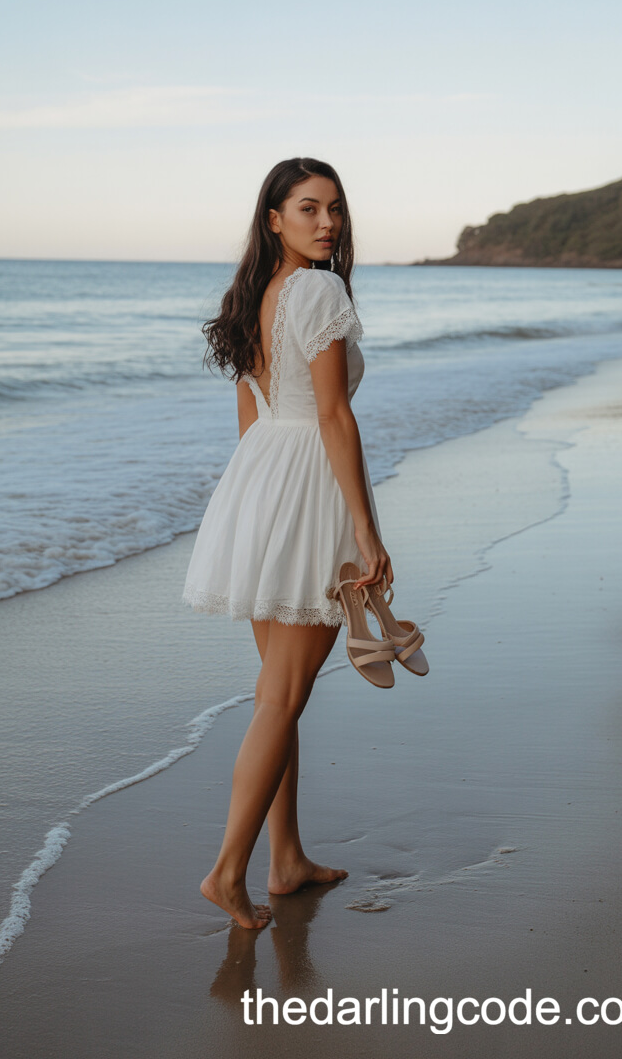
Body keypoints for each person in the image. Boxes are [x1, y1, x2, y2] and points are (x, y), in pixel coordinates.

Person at [182, 156, 392, 929]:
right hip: (306, 484)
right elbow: (334, 416)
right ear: (274, 218)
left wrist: (252, 513)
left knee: (281, 689)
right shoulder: (319, 288)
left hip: (259, 480)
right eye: (308, 208)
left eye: (334, 208)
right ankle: (227, 871)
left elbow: (252, 417)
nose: (327, 222)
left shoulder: (256, 293)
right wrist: (365, 529)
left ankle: (286, 858)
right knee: (282, 695)